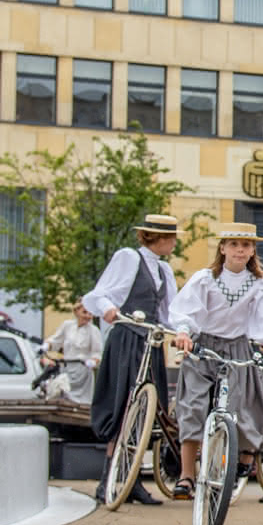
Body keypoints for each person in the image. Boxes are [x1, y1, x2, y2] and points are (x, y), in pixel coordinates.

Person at [170, 223, 263, 501]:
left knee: (247, 408)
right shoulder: (205, 278)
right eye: (233, 244)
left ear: (252, 251)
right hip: (205, 345)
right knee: (193, 406)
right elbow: (187, 309)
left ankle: (244, 460)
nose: (239, 250)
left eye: (245, 245)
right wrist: (184, 333)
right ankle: (186, 475)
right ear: (222, 248)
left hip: (237, 348)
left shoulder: (259, 285)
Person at [83, 212, 181, 505]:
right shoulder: (129, 257)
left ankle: (133, 480)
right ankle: (108, 480)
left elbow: (169, 314)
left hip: (150, 344)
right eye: (172, 237)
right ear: (159, 238)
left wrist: (183, 333)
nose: (174, 243)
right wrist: (108, 309)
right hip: (127, 340)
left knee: (147, 411)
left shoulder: (164, 271)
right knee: (123, 405)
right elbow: (99, 294)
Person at [42, 303, 102, 404]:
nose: (87, 316)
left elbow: (97, 353)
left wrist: (92, 362)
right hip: (67, 367)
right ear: (76, 312)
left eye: (90, 314)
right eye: (84, 312)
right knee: (61, 389)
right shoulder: (67, 326)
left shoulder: (93, 330)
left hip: (83, 371)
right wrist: (47, 345)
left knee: (82, 401)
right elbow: (56, 340)